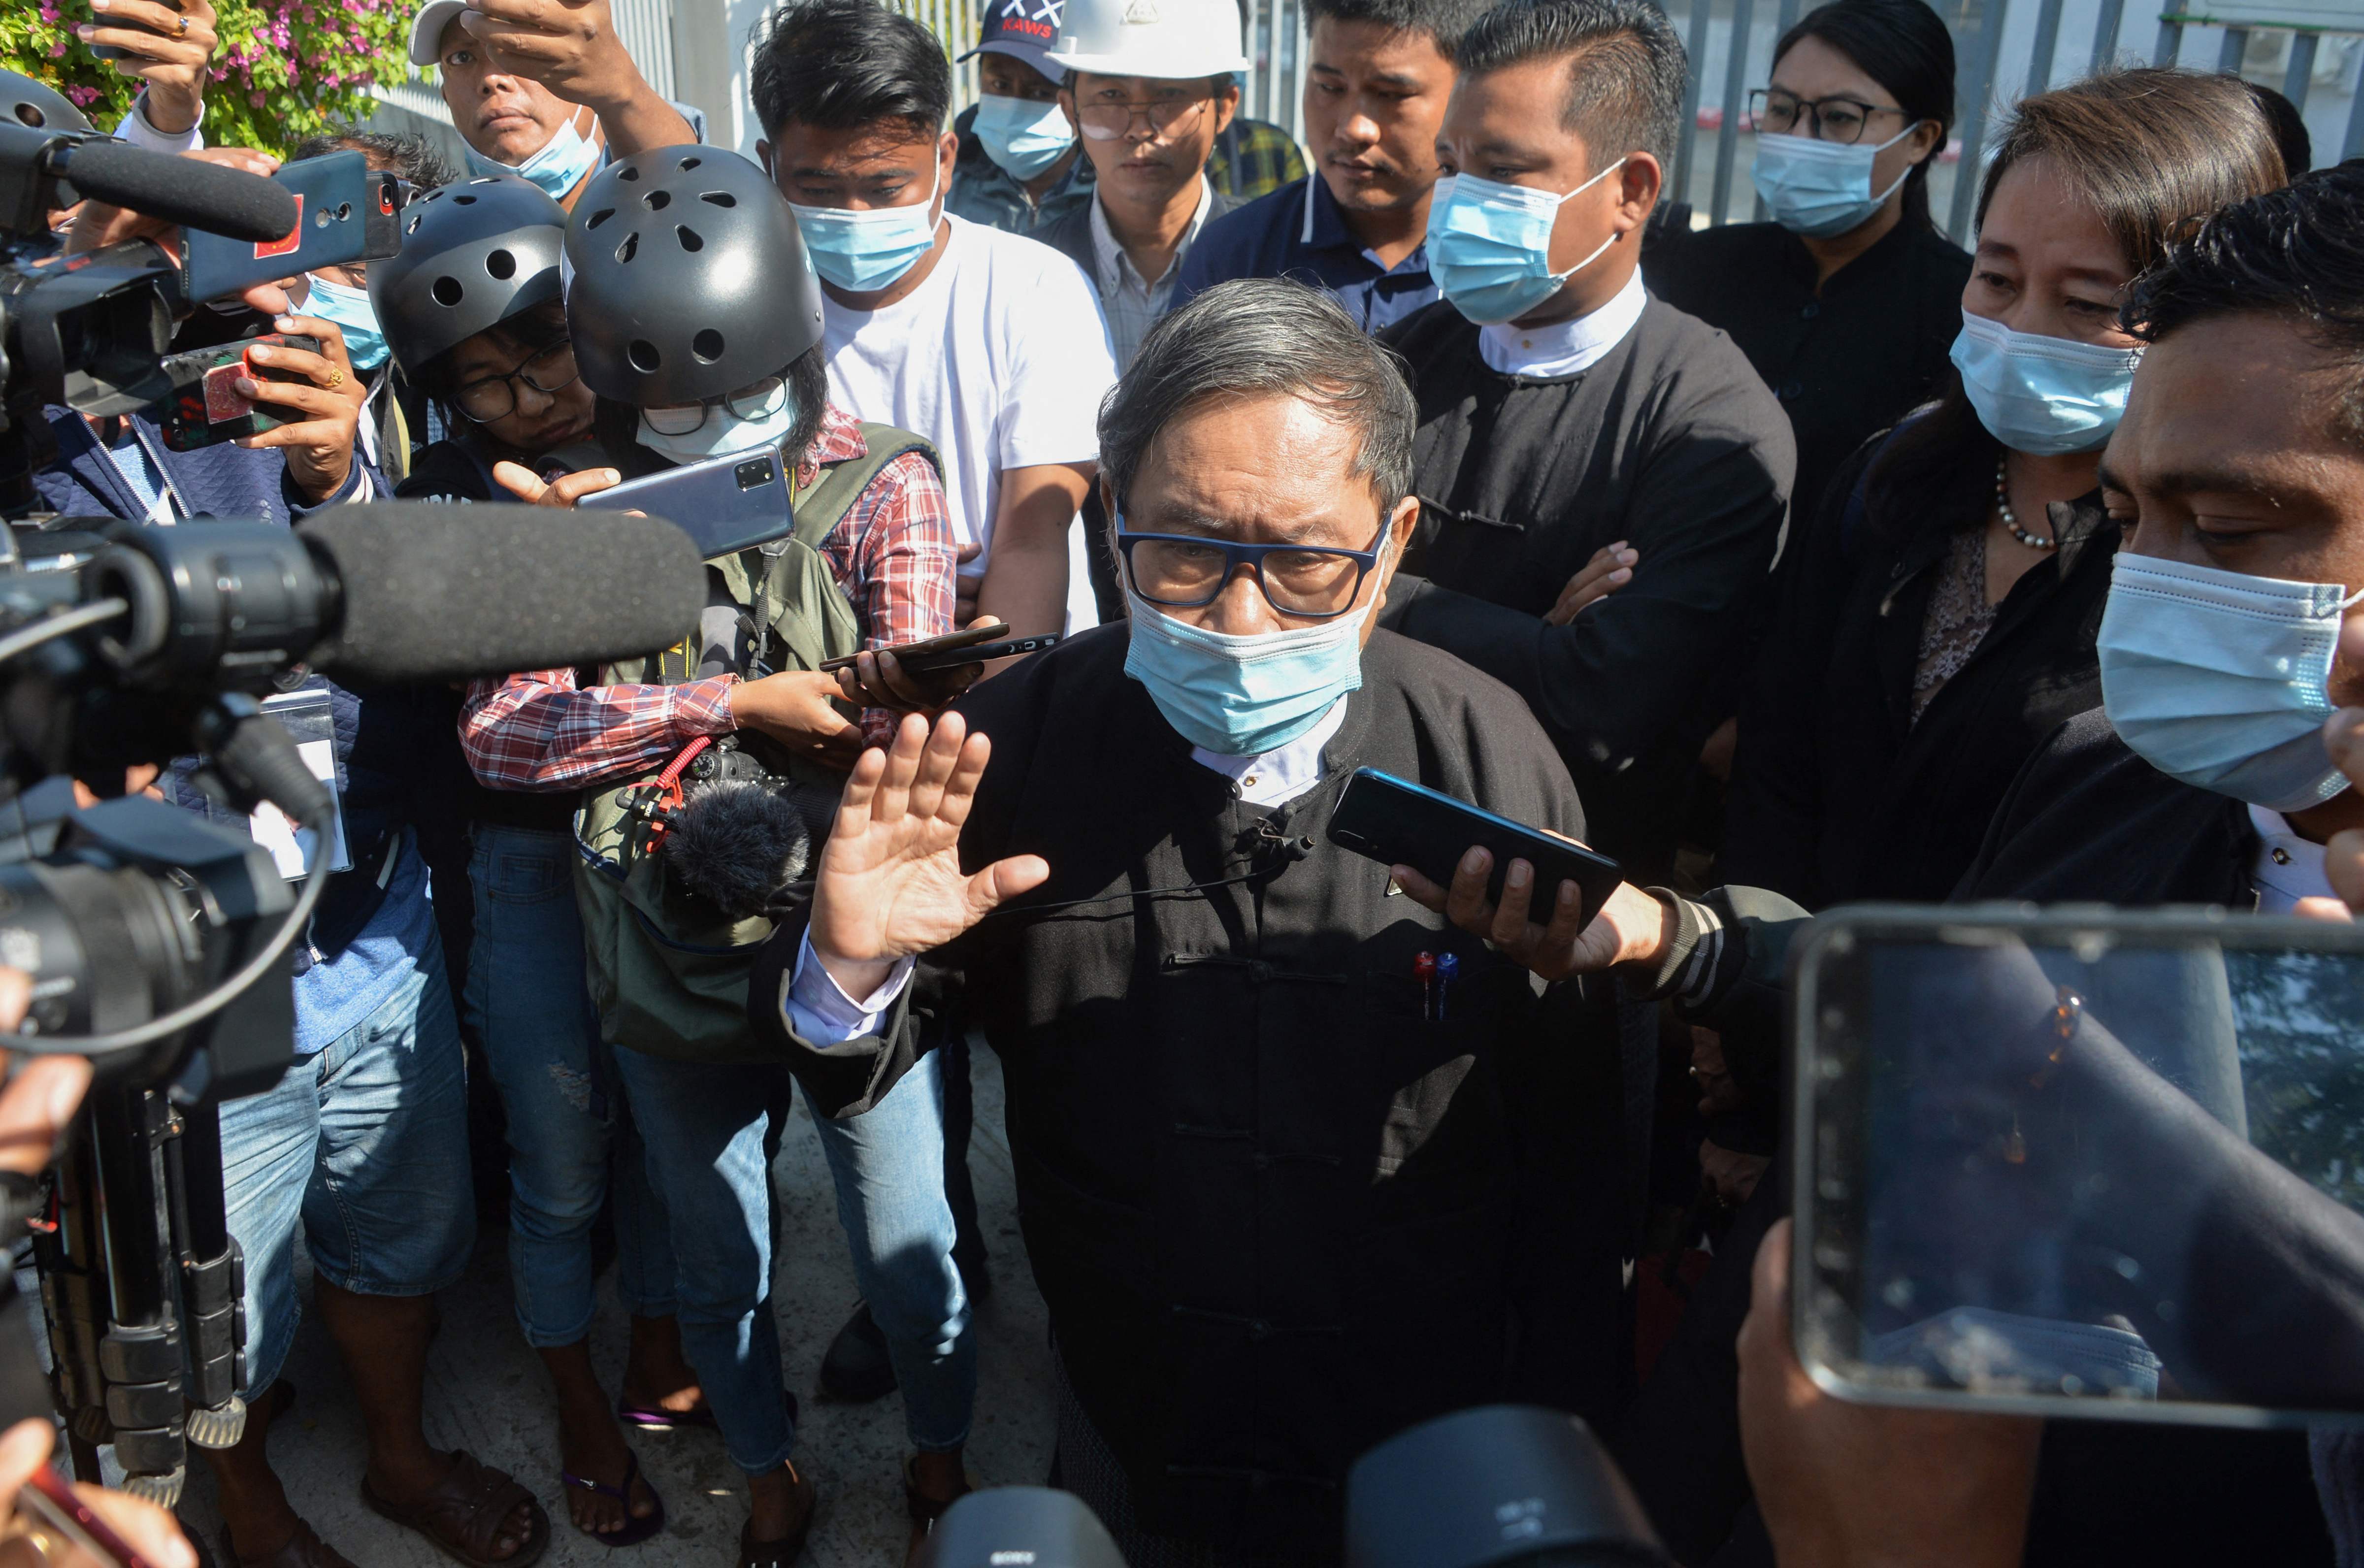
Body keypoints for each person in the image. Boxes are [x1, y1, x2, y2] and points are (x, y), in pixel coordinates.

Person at [1405, 160, 2364, 1565]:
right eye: (2137, 522)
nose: (2148, 595)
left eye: (2228, 531)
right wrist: (1681, 941)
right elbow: (1941, 1010)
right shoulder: (2127, 776)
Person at [752, 278, 1639, 1568]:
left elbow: (1576, 1144)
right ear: (1113, 527)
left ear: (1390, 548)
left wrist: (1570, 1417)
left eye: (1301, 563)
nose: (1238, 617)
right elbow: (860, 1051)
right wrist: (851, 964)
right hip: (1136, 1385)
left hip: (1421, 1396)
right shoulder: (1005, 752)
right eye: (1187, 554)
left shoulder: (1485, 756)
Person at [461, 146, 971, 1568]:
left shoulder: (881, 483)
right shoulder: (574, 504)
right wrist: (726, 703)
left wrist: (863, 701)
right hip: (663, 953)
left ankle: (940, 1469)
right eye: (672, 406)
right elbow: (501, 737)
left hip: (853, 949)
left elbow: (914, 697)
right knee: (716, 1259)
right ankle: (767, 1473)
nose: (707, 429)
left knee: (905, 1243)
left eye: (733, 392)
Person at [37, 169, 539, 1568]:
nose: (236, 289)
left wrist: (344, 476)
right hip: (193, 987)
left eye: (255, 255)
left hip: (376, 929)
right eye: (158, 244)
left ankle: (397, 1456)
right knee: (210, 1314)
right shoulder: (34, 431)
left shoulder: (304, 398)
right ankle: (251, 1512)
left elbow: (410, 634)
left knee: (402, 1238)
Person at [1718, 71, 2288, 915]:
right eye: (1996, 278)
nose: (2022, 328)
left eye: (2088, 301)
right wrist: (1739, 954)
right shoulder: (1892, 478)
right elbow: (1779, 744)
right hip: (1784, 999)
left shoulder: (2200, 577)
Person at [374, 171, 708, 1545]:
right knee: (559, 1160)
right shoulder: (445, 492)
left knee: (671, 1139)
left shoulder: (683, 438)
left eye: (550, 349)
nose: (535, 403)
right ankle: (573, 1386)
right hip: (518, 871)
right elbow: (465, 722)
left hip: (676, 849)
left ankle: (661, 1334)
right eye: (487, 386)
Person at [1375, 0, 1795, 885]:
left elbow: (1603, 707)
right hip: (1358, 845)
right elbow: (1289, 581)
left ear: (1630, 190)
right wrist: (1535, 638)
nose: (1454, 202)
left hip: (1554, 909)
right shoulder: (1401, 358)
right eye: (1452, 166)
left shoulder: (1709, 425)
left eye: (1503, 172)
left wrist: (1376, 591)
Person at [752, 0, 1113, 643]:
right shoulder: (749, 309)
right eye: (820, 191)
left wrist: (982, 693)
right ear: (769, 165)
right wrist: (897, 605)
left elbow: (1033, 539)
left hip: (1010, 679)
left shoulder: (1036, 292)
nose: (855, 212)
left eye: (887, 188)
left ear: (946, 159)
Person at [1645, 0, 1964, 527]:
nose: (1797, 138)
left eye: (1839, 118)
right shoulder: (1693, 269)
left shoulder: (1961, 314)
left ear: (1922, 139)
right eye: (1781, 109)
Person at [1175, 0, 1489, 331]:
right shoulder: (1234, 259)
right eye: (1330, 88)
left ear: (1469, 89)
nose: (1353, 129)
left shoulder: (1508, 269)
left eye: (1390, 94)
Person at [1034, 0, 1249, 370]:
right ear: (1071, 111)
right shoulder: (1030, 274)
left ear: (1225, 108)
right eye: (1112, 95)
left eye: (1169, 94)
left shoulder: (1271, 261)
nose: (1139, 129)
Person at [285, 130, 459, 490]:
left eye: (391, 274)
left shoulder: (429, 389)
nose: (372, 292)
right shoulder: (247, 373)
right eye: (358, 272)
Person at [411, 0, 698, 208]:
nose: (492, 79)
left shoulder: (658, 159)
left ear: (587, 67)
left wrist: (622, 94)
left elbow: (692, 193)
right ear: (446, 97)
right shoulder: (434, 248)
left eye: (519, 45)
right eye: (462, 58)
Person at [945, 0, 1095, 235]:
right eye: (1000, 84)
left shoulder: (1109, 197)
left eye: (1040, 91)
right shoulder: (948, 188)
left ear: (1075, 97)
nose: (1014, 106)